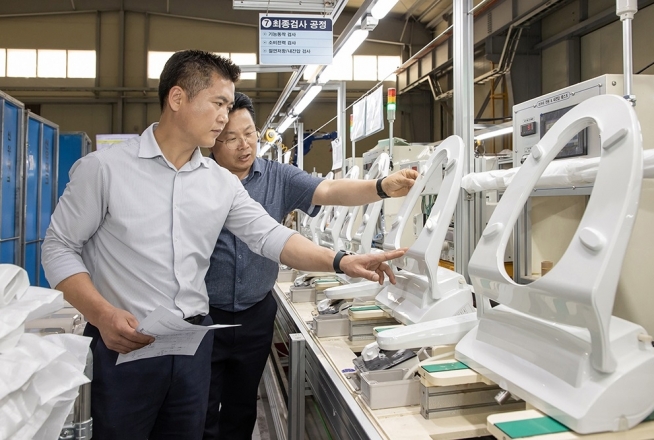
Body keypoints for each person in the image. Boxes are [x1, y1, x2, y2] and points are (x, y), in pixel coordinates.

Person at [41, 50, 405, 440]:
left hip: (192, 346)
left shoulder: (219, 182)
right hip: (125, 345)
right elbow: (58, 247)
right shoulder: (105, 170)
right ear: (177, 99)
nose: (223, 117)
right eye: (218, 104)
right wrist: (101, 314)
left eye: (229, 106)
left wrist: (342, 261)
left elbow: (270, 237)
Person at [204, 92, 418, 440]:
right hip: (205, 315)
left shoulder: (278, 178)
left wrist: (381, 186)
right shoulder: (200, 180)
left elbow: (331, 189)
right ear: (213, 140)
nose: (243, 145)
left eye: (249, 134)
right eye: (230, 138)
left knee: (241, 408)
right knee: (198, 410)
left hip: (255, 314)